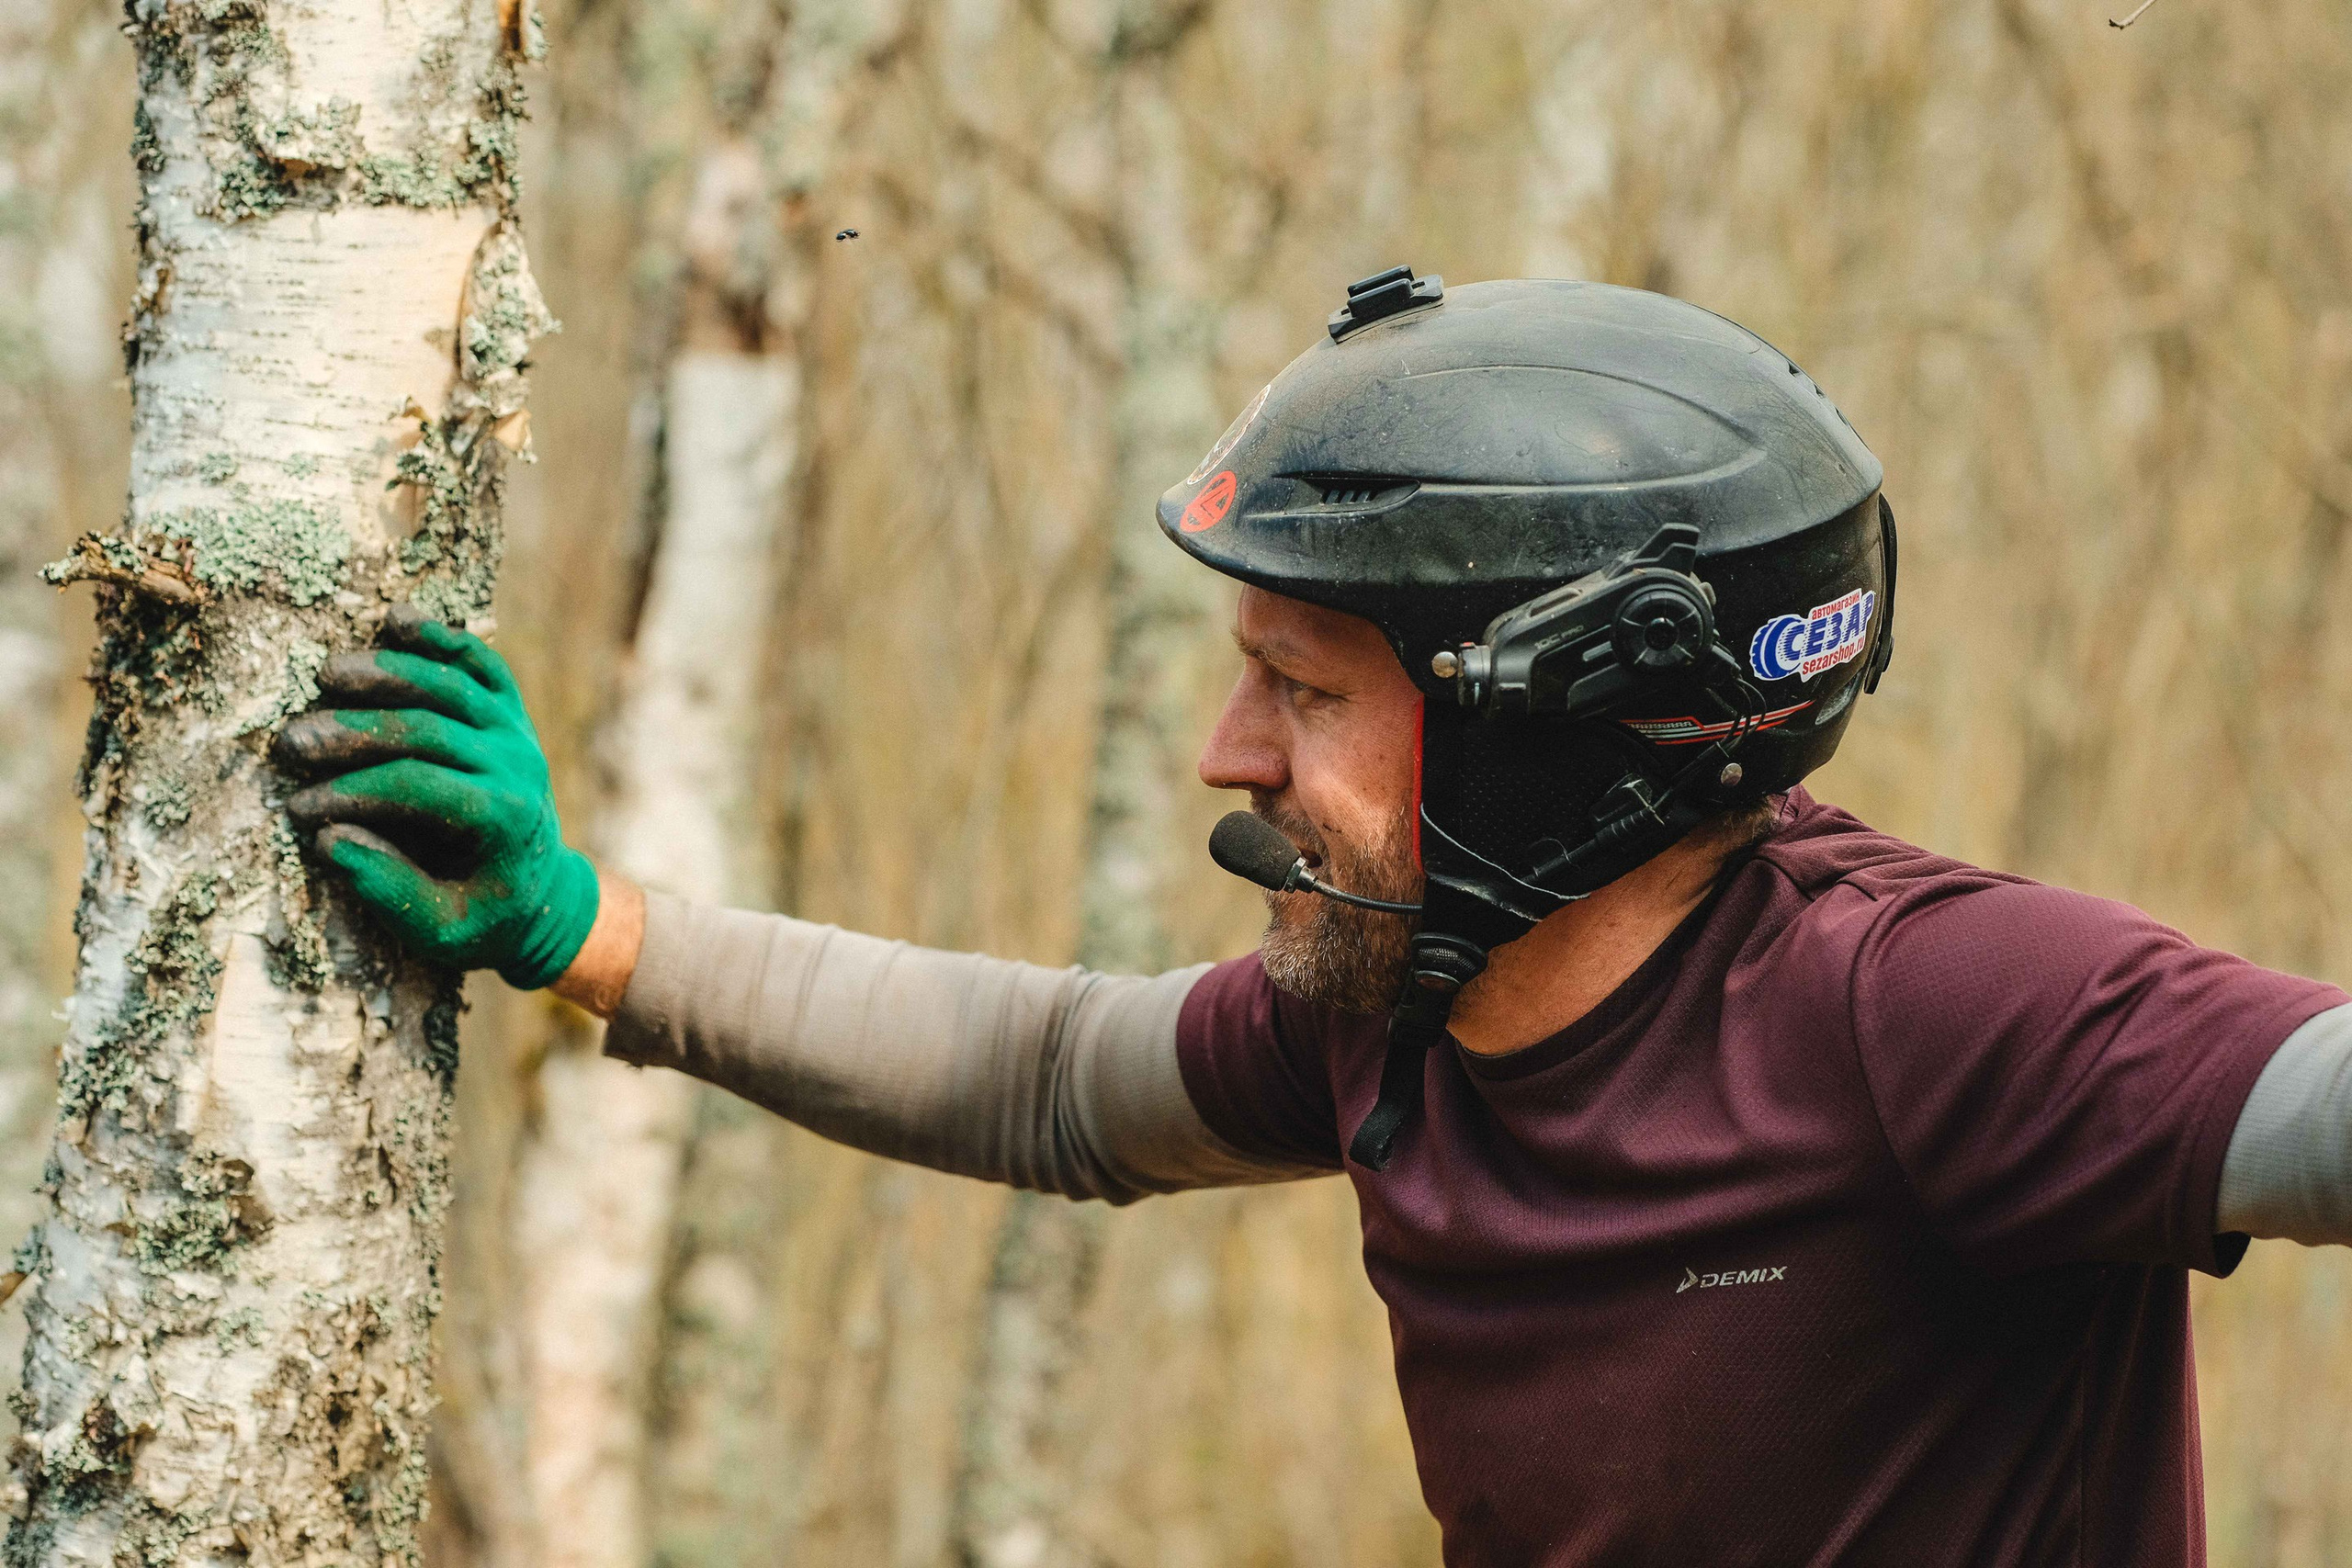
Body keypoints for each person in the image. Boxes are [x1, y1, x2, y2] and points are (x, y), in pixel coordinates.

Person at [276, 273, 2352, 1567]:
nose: (1223, 747)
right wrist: (576, 924)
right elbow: (1042, 1074)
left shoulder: (1917, 1003)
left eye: (1307, 685)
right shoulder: (1392, 1005)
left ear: (1551, 727)